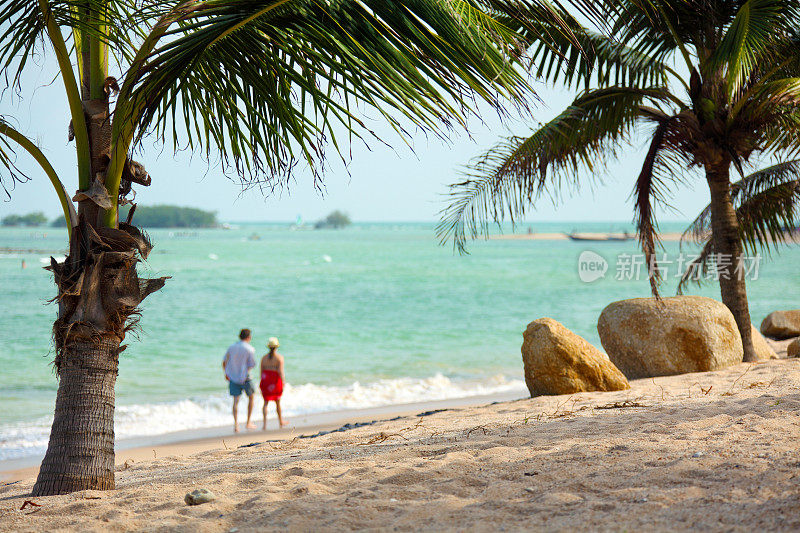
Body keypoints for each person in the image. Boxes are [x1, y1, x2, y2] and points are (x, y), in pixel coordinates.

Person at [222, 328, 257, 432]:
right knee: (251, 398)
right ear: (249, 337)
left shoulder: (231, 347)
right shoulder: (249, 349)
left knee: (235, 401)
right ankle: (248, 422)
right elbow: (252, 364)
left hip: (233, 377)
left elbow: (224, 362)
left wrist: (226, 373)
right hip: (246, 377)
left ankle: (236, 425)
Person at [260, 337, 288, 429]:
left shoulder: (263, 358)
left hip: (266, 381)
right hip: (275, 381)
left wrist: (262, 383)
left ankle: (264, 425)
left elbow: (261, 372)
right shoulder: (279, 358)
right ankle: (280, 421)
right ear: (276, 347)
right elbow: (280, 371)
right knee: (278, 402)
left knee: (265, 403)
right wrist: (283, 382)